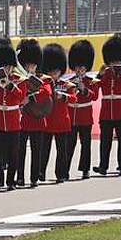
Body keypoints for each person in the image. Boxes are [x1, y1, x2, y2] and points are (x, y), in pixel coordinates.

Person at [93, 34, 121, 176]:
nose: (115, 63)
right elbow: (96, 87)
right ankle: (103, 166)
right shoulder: (105, 74)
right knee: (105, 142)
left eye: (117, 60)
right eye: (112, 61)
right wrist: (99, 75)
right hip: (106, 113)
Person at [0, 41, 29, 190]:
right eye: (4, 65)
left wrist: (9, 85)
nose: (6, 68)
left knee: (13, 154)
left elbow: (21, 97)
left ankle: (10, 181)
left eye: (8, 65)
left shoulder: (20, 80)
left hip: (13, 120)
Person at [16, 39, 51, 188]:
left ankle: (34, 177)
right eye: (27, 64)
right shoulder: (20, 78)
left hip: (37, 119)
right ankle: (20, 177)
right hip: (23, 120)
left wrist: (29, 98)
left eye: (32, 64)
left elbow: (46, 92)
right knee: (20, 151)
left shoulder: (44, 79)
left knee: (37, 151)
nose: (30, 66)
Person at [41, 44, 77, 183]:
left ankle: (61, 174)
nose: (53, 74)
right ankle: (40, 172)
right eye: (50, 72)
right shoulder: (43, 83)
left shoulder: (66, 84)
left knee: (62, 150)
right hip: (47, 120)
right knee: (44, 150)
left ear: (60, 71)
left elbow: (74, 98)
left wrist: (64, 97)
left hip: (62, 121)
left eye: (55, 72)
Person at [67, 40, 100, 179]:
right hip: (72, 116)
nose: (79, 70)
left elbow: (94, 96)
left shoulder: (91, 81)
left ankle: (85, 169)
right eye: (76, 68)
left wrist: (84, 89)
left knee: (85, 144)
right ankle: (64, 169)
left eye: (81, 67)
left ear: (86, 68)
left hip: (85, 117)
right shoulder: (69, 81)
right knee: (69, 145)